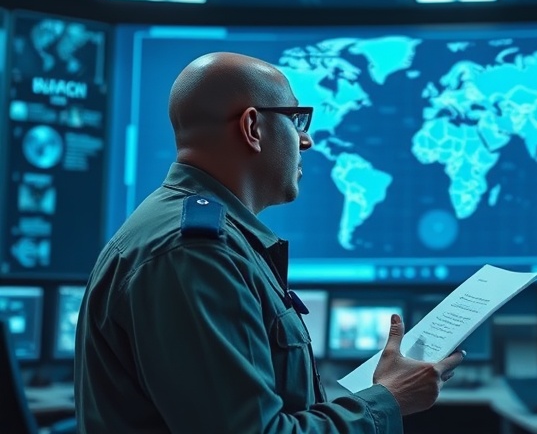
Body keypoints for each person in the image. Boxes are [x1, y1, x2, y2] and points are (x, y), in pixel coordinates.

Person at [74, 52, 465, 433]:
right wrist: (389, 400)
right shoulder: (194, 254)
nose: (306, 140)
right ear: (252, 128)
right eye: (296, 119)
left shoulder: (204, 239)